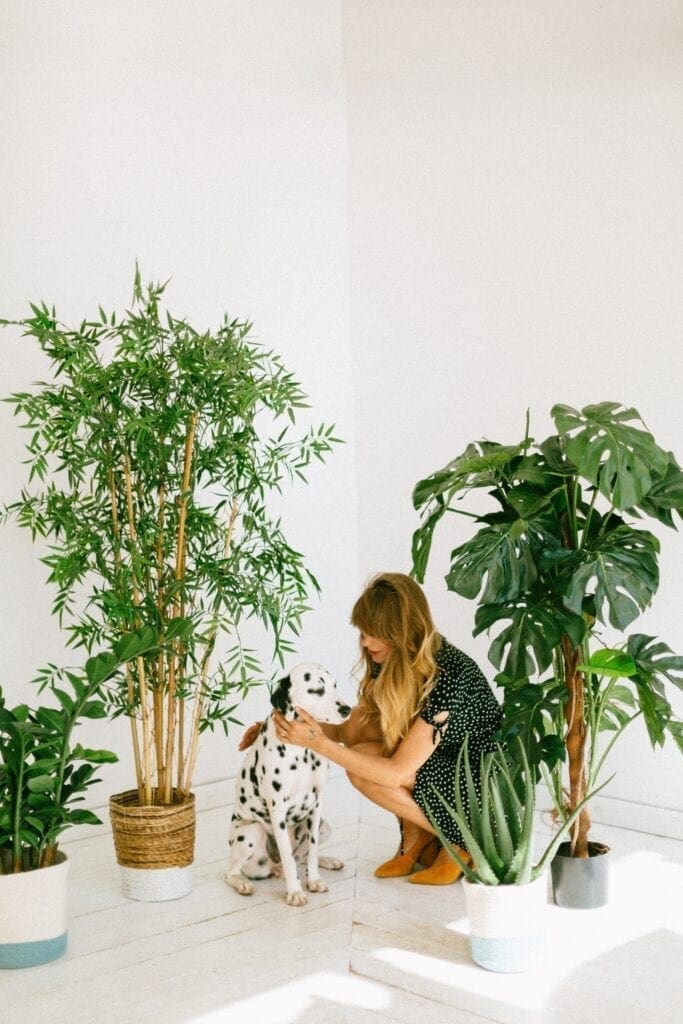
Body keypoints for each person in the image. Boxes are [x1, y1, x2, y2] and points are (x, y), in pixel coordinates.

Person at [242, 572, 502, 885]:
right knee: (360, 735)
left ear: (402, 630)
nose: (365, 642)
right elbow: (357, 723)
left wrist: (319, 745)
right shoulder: (396, 656)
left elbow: (395, 773)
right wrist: (284, 729)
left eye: (374, 633)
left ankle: (460, 840)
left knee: (364, 768)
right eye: (363, 632)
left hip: (479, 781)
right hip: (442, 761)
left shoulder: (450, 675)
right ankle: (419, 837)